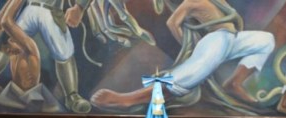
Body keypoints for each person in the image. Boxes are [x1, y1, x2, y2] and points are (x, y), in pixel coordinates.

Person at [91, 0, 274, 109]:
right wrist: (189, 47)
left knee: (265, 40)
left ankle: (234, 83)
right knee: (193, 71)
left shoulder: (219, 1)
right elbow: (173, 22)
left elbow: (234, 19)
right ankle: (132, 98)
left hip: (233, 39)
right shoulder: (190, 2)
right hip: (215, 39)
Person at [0, 0, 93, 113]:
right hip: (30, 8)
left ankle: (72, 96)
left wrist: (79, 7)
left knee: (64, 52)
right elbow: (3, 22)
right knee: (7, 40)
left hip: (51, 11)